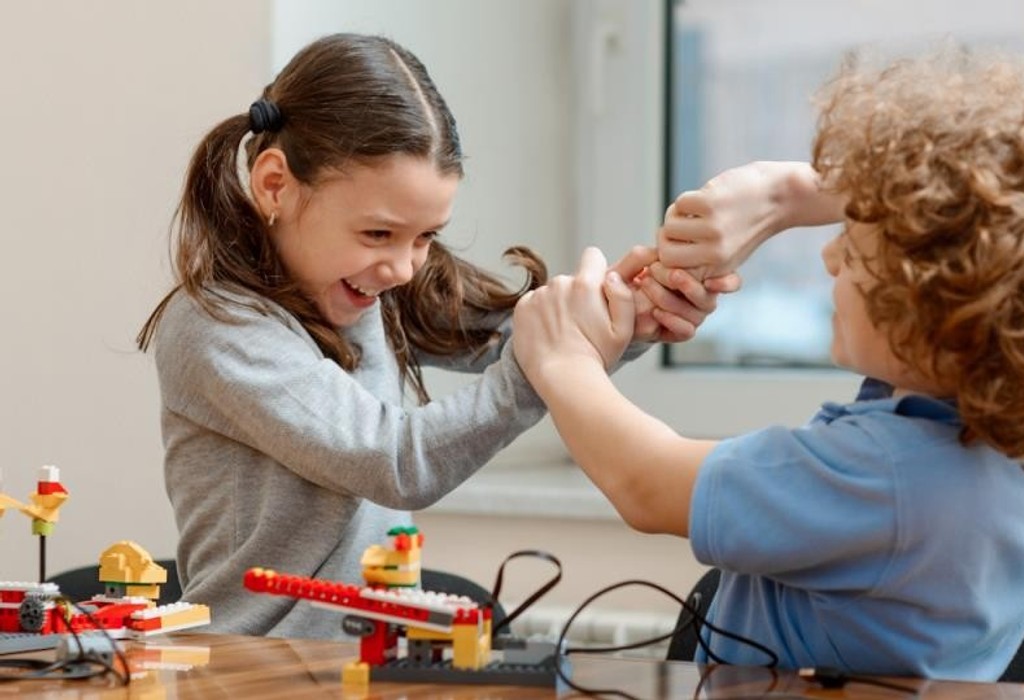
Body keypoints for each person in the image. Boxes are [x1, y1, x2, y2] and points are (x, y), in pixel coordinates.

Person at [512, 54, 1024, 680]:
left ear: (942, 317)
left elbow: (647, 484)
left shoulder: (894, 478)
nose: (829, 257)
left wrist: (563, 360)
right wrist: (784, 196)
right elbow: (1005, 216)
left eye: (858, 251)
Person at [136, 33, 733, 639]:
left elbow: (516, 339)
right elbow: (395, 460)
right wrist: (556, 355)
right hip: (252, 667)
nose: (402, 267)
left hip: (365, 665)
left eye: (424, 237)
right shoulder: (218, 326)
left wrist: (629, 314)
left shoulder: (368, 287)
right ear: (275, 186)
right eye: (377, 234)